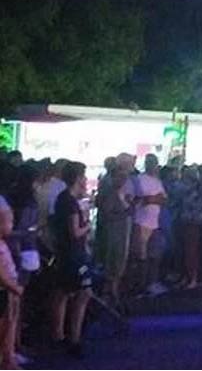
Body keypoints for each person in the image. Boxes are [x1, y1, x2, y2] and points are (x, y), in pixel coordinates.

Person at [50, 162, 92, 358]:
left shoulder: (62, 199)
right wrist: (88, 226)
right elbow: (75, 232)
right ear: (77, 178)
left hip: (65, 253)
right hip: (74, 254)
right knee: (83, 293)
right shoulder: (70, 202)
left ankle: (58, 334)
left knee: (63, 293)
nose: (85, 180)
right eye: (83, 176)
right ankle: (73, 337)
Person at [95, 153, 134, 306]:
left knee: (119, 259)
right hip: (114, 230)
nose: (123, 179)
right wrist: (126, 212)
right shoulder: (110, 190)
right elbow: (107, 212)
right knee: (113, 258)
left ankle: (113, 289)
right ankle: (109, 291)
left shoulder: (121, 190)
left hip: (122, 229)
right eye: (121, 176)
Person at [126, 154, 167, 296]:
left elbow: (163, 199)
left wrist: (151, 199)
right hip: (141, 222)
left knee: (155, 254)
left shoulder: (157, 181)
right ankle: (139, 285)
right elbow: (137, 199)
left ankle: (151, 283)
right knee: (140, 255)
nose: (154, 165)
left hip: (155, 222)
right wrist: (151, 199)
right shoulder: (138, 180)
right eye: (151, 162)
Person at [0, 200, 23, 369]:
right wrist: (15, 288)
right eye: (10, 222)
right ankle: (7, 360)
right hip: (4, 291)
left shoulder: (3, 244)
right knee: (5, 327)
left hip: (8, 290)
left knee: (10, 322)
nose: (12, 225)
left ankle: (9, 356)